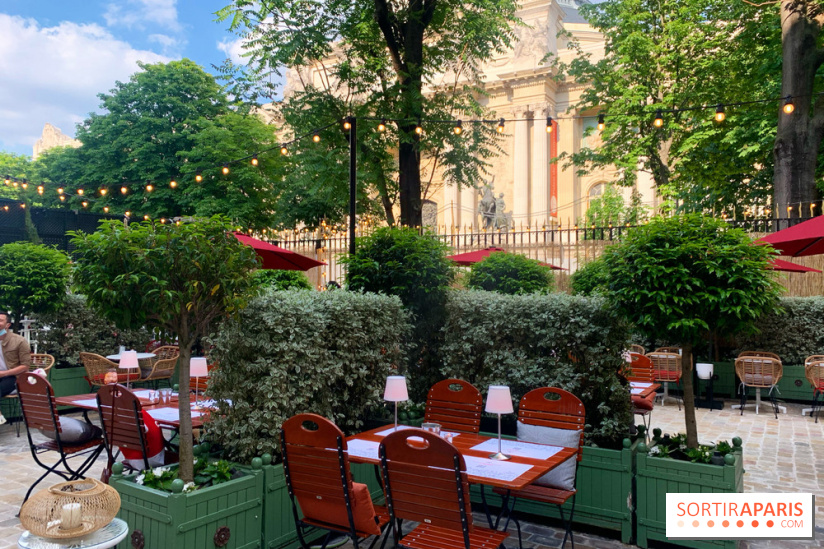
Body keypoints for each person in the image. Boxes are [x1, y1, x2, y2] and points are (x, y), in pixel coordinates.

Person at [0, 312, 32, 425]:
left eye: (0, 320)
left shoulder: (19, 341)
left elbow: (25, 366)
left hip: (14, 377)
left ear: (7, 325)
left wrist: (3, 373)